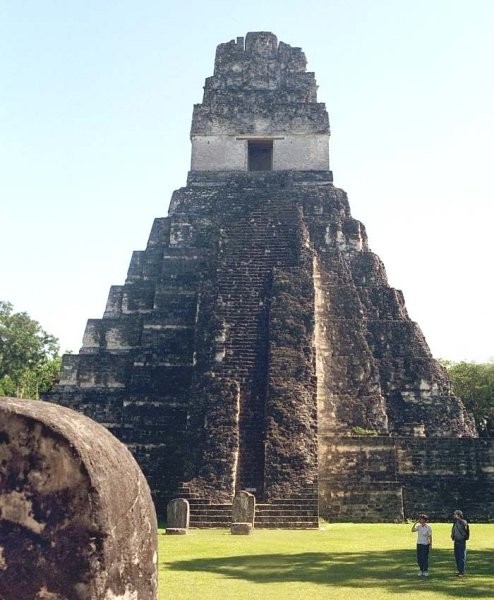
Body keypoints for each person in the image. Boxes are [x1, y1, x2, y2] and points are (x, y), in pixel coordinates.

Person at [451, 510, 468, 576]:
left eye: (455, 514)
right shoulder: (455, 522)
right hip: (456, 541)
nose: (453, 515)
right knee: (457, 557)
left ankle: (462, 572)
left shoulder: (462, 521)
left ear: (459, 515)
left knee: (461, 556)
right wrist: (452, 535)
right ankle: (459, 571)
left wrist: (458, 518)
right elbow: (454, 530)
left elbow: (465, 523)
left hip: (461, 541)